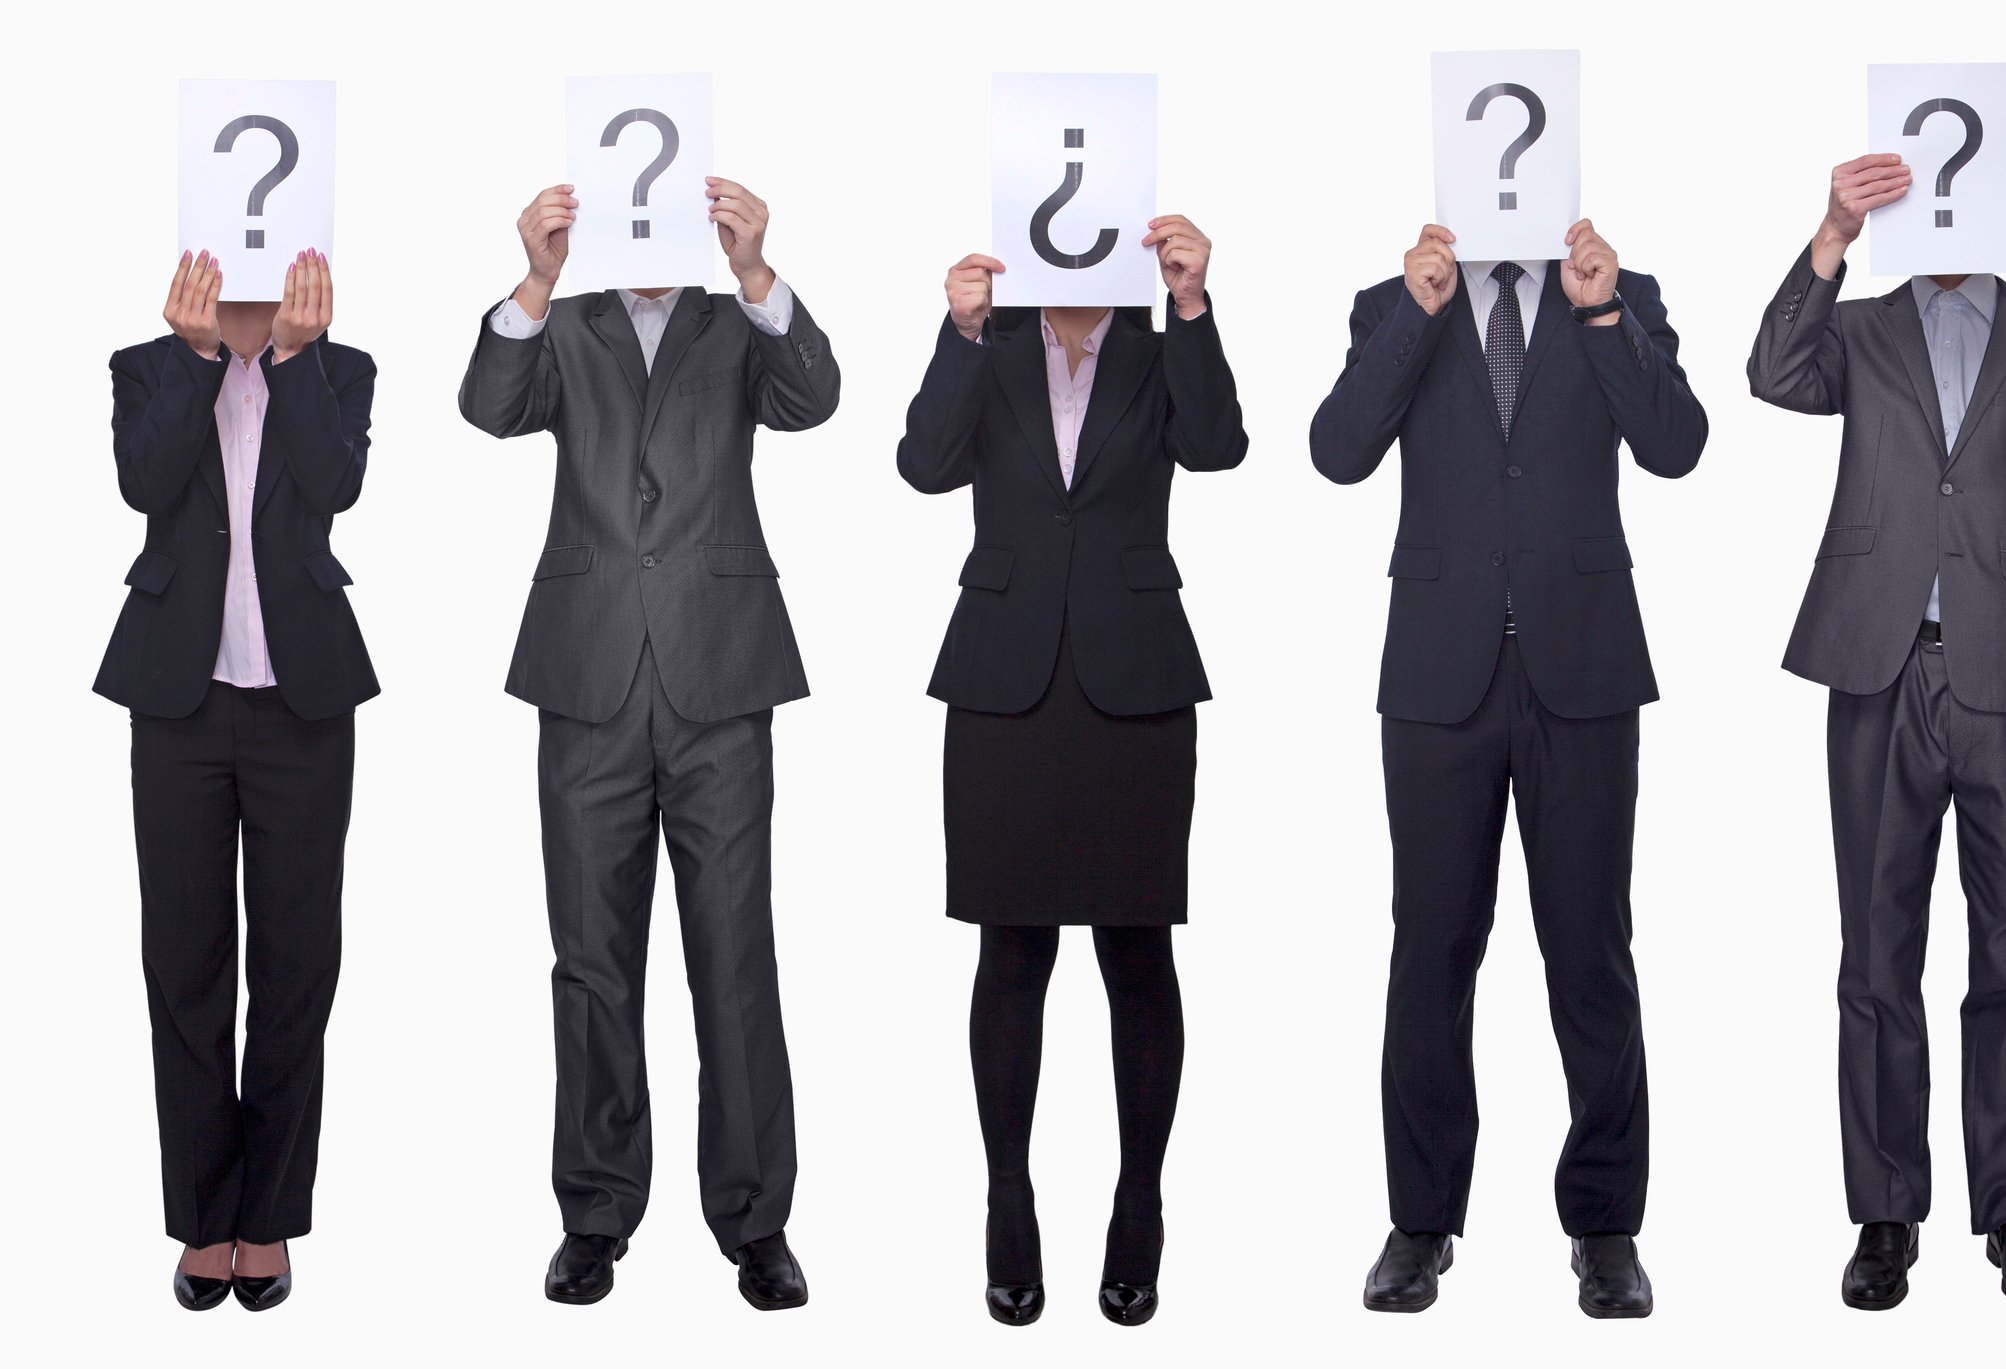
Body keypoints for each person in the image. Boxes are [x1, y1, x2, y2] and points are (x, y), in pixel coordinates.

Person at [1311, 220, 1706, 1318]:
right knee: (1431, 949)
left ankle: (1606, 1228)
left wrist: (1602, 310)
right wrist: (1417, 311)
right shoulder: (1393, 301)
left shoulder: (1622, 294)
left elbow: (1677, 444)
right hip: (1440, 674)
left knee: (1590, 949)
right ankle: (1420, 1220)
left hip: (1583, 665)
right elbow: (1337, 451)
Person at [457, 176, 838, 1309]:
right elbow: (487, 405)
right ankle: (595, 1212)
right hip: (588, 675)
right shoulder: (562, 319)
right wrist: (535, 271)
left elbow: (814, 398)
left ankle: (756, 1219)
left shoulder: (735, 318)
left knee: (734, 953)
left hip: (722, 672)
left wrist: (759, 269)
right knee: (591, 962)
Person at [1748, 154, 2006, 1313]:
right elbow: (1770, 372)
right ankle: (1885, 1212)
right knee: (1876, 954)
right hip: (1876, 666)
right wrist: (1831, 232)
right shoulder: (1857, 328)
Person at [896, 216, 1246, 1327]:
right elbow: (923, 464)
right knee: (1013, 949)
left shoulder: (1155, 344)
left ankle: (1140, 1205)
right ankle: (1008, 1199)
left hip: (1134, 676)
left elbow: (1220, 446)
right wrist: (955, 333)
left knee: (1137, 949)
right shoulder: (990, 340)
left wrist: (1191, 306)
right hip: (1004, 680)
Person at [99, 248, 375, 1312]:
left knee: (299, 965)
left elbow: (335, 487)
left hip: (302, 700)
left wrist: (295, 363)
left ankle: (268, 1218)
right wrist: (195, 354)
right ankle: (205, 1219)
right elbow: (145, 484)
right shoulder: (145, 363)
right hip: (177, 698)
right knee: (185, 962)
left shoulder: (341, 367)